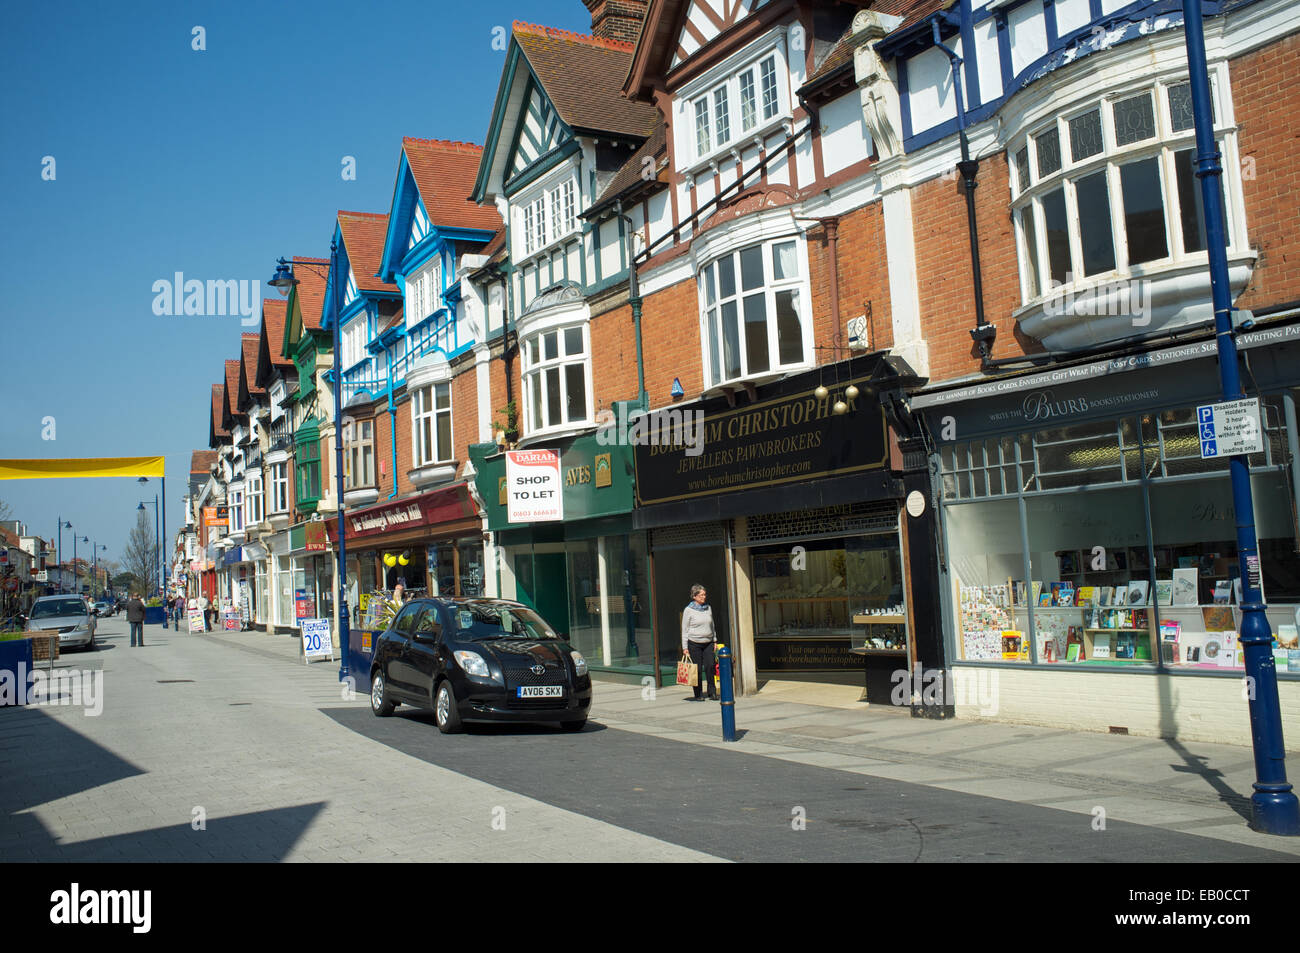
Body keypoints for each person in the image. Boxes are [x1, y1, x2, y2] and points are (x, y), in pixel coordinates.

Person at [681, 583, 718, 701]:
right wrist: (685, 647)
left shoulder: (708, 608)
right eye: (701, 595)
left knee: (710, 666)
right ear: (694, 596)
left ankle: (712, 692)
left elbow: (712, 625)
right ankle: (698, 694)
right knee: (696, 669)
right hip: (694, 643)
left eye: (704, 594)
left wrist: (715, 640)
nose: (704, 597)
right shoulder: (688, 610)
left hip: (708, 642)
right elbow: (685, 630)